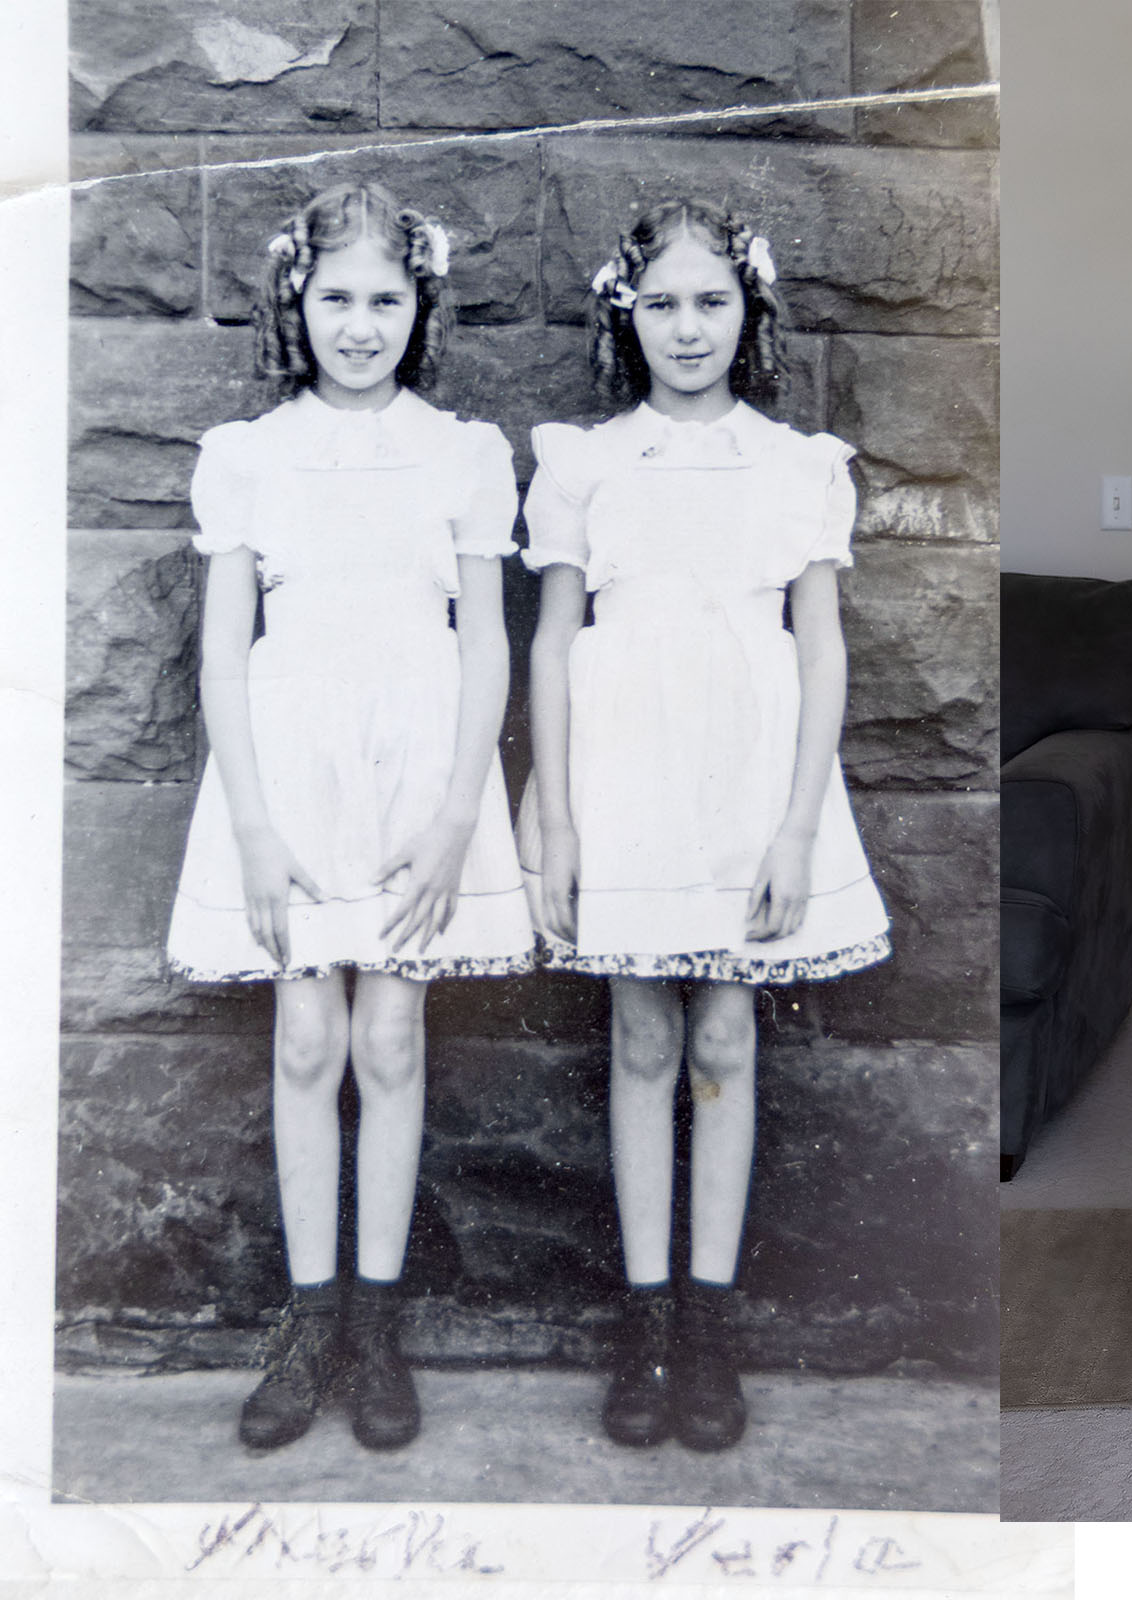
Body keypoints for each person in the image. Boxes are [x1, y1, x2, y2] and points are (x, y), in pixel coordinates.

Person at [166, 182, 536, 1451]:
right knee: (306, 1036)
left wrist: (452, 819)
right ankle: (310, 1318)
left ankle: (378, 1323)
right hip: (288, 777)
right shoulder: (251, 456)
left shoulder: (462, 454)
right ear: (297, 303)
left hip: (417, 776)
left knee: (390, 1034)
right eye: (338, 298)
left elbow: (485, 647)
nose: (362, 323)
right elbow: (225, 658)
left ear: (419, 304)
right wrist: (256, 828)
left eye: (386, 297)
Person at [520, 199, 891, 1452]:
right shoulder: (583, 463)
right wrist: (554, 817)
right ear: (628, 310)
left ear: (750, 312)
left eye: (712, 302)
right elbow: (555, 641)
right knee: (638, 1030)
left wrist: (795, 827)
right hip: (624, 772)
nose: (688, 328)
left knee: (725, 1027)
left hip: (747, 778)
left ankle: (712, 1318)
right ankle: (643, 1321)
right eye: (664, 302)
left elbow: (822, 654)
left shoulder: (795, 470)